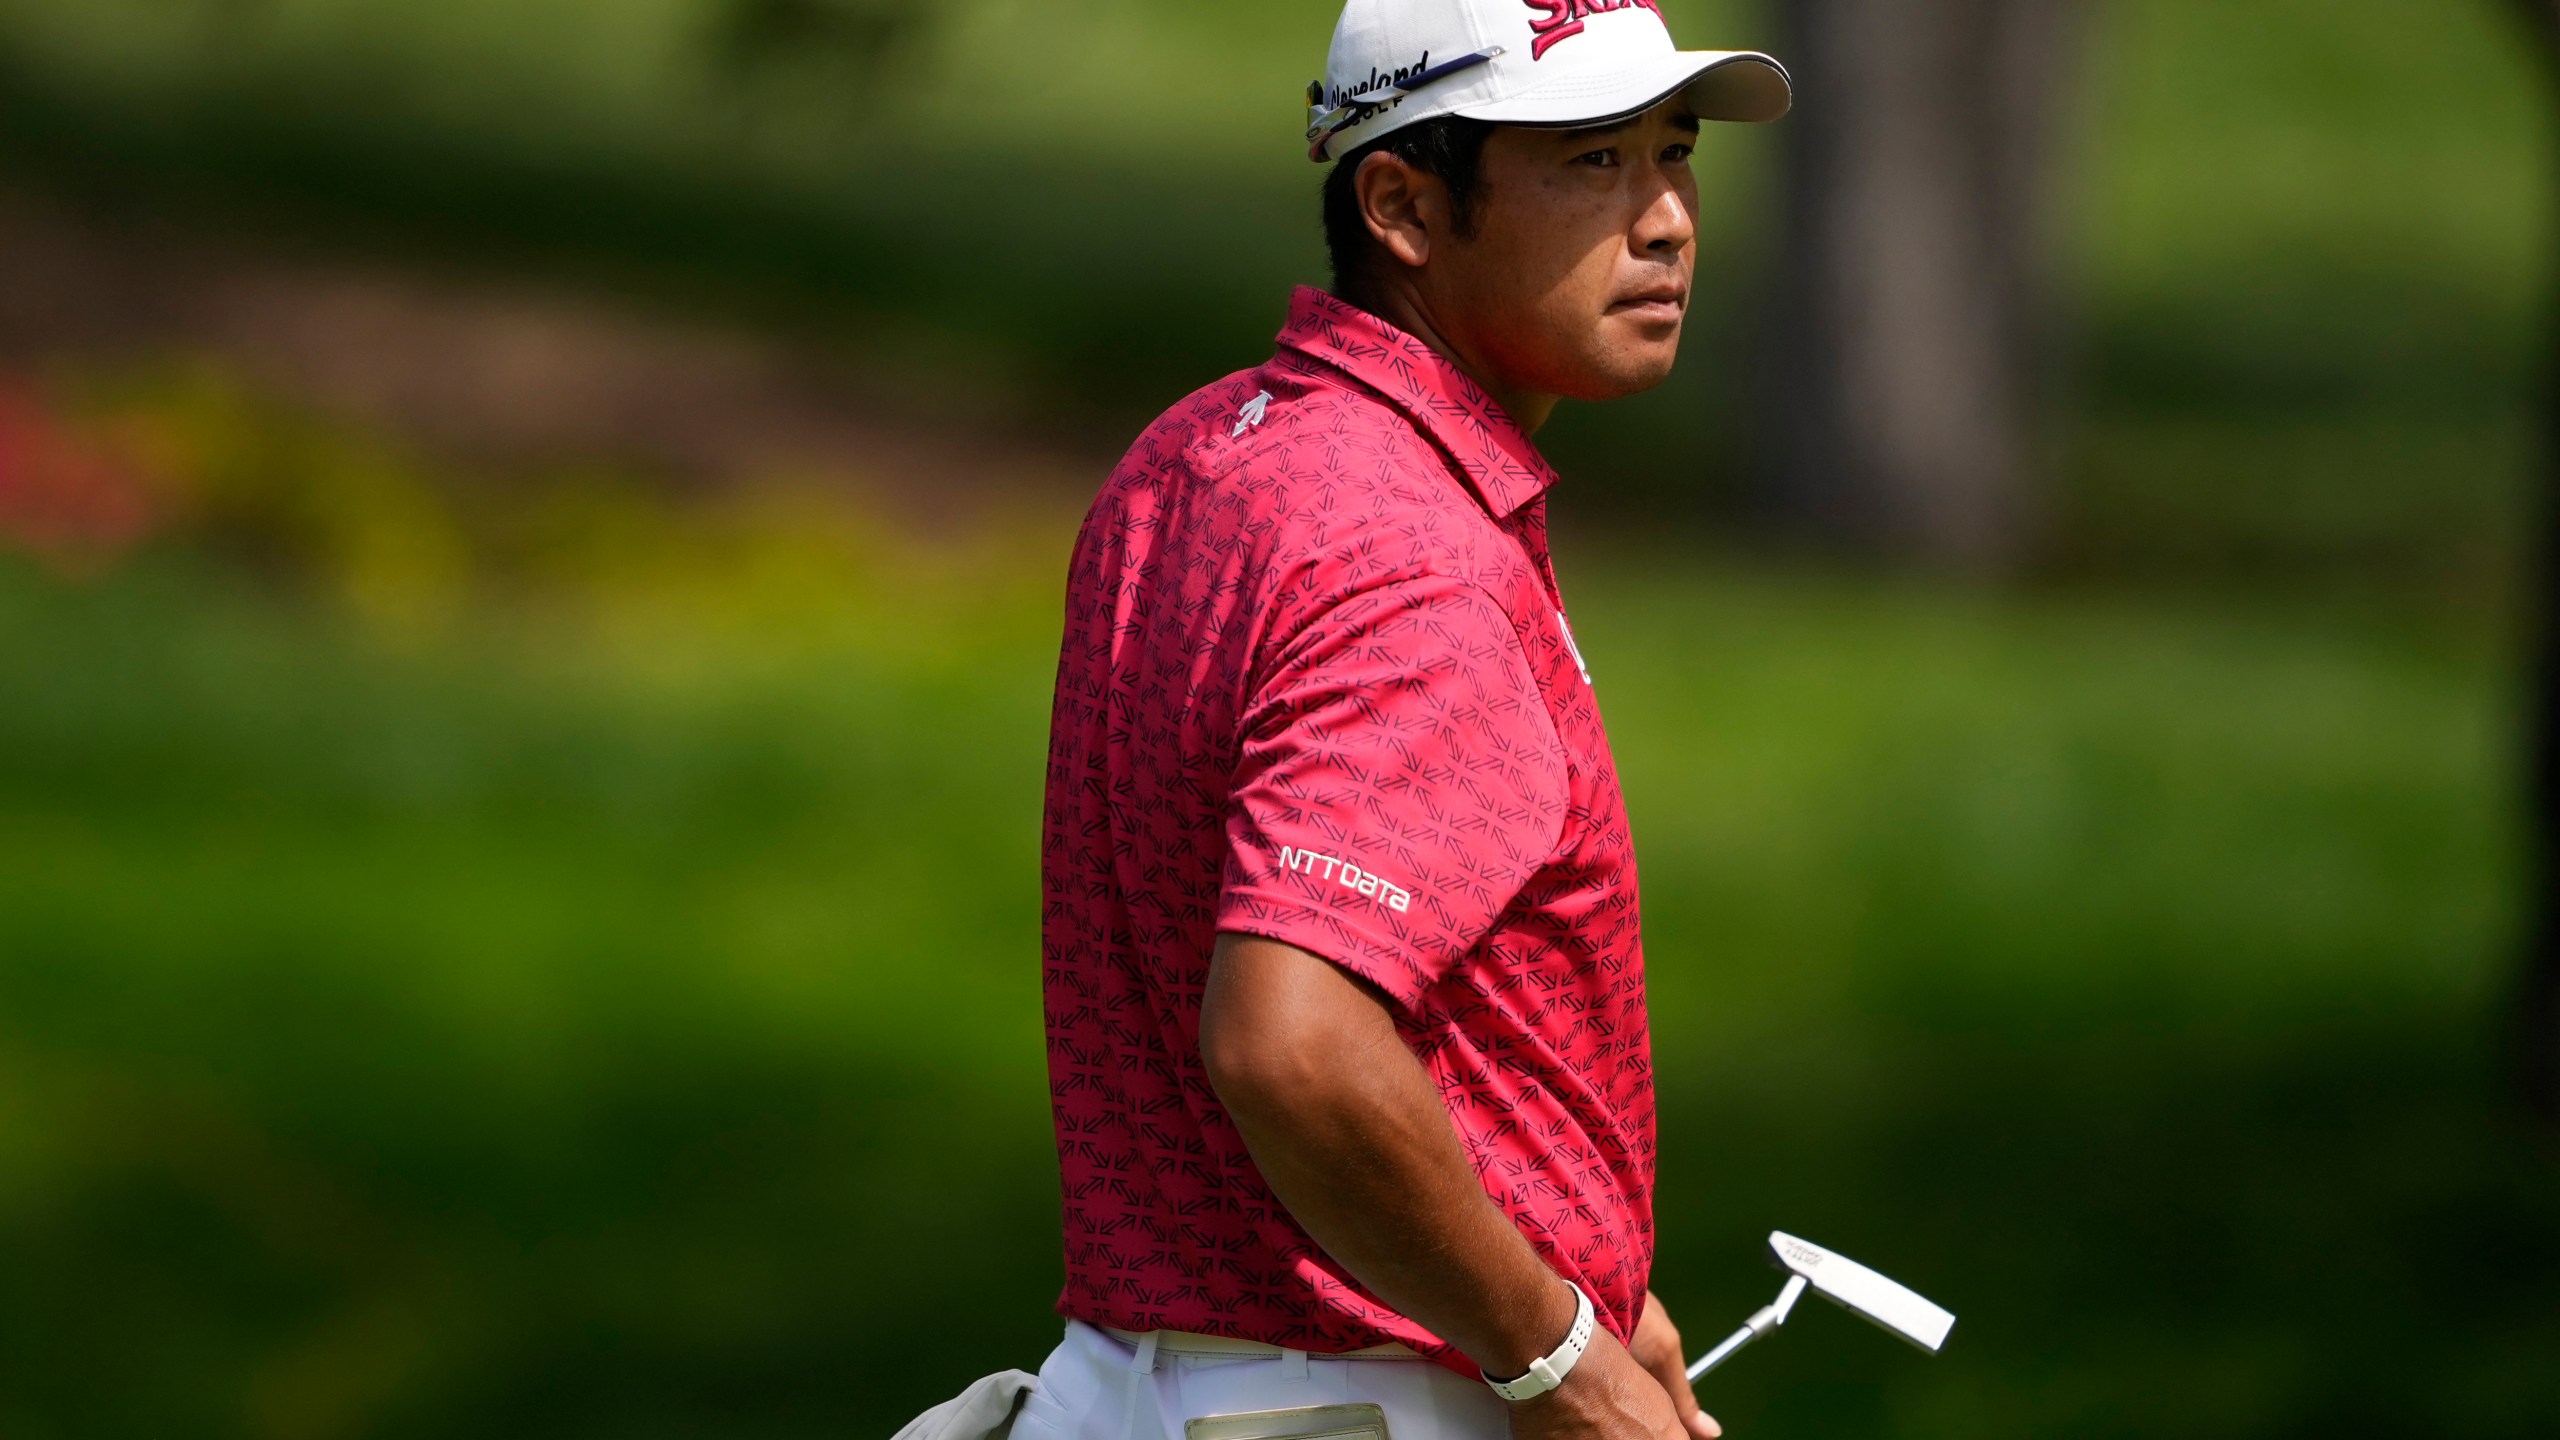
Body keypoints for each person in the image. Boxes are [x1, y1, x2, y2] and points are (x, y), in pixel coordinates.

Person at [1028, 5, 1789, 1440]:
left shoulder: (1204, 452)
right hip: (1363, 1400)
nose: (1669, 221)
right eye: (1594, 161)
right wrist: (1553, 1353)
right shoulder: (1411, 551)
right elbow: (1294, 1043)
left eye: (1674, 153)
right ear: (1404, 208)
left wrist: (1587, 1274)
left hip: (1137, 1387)